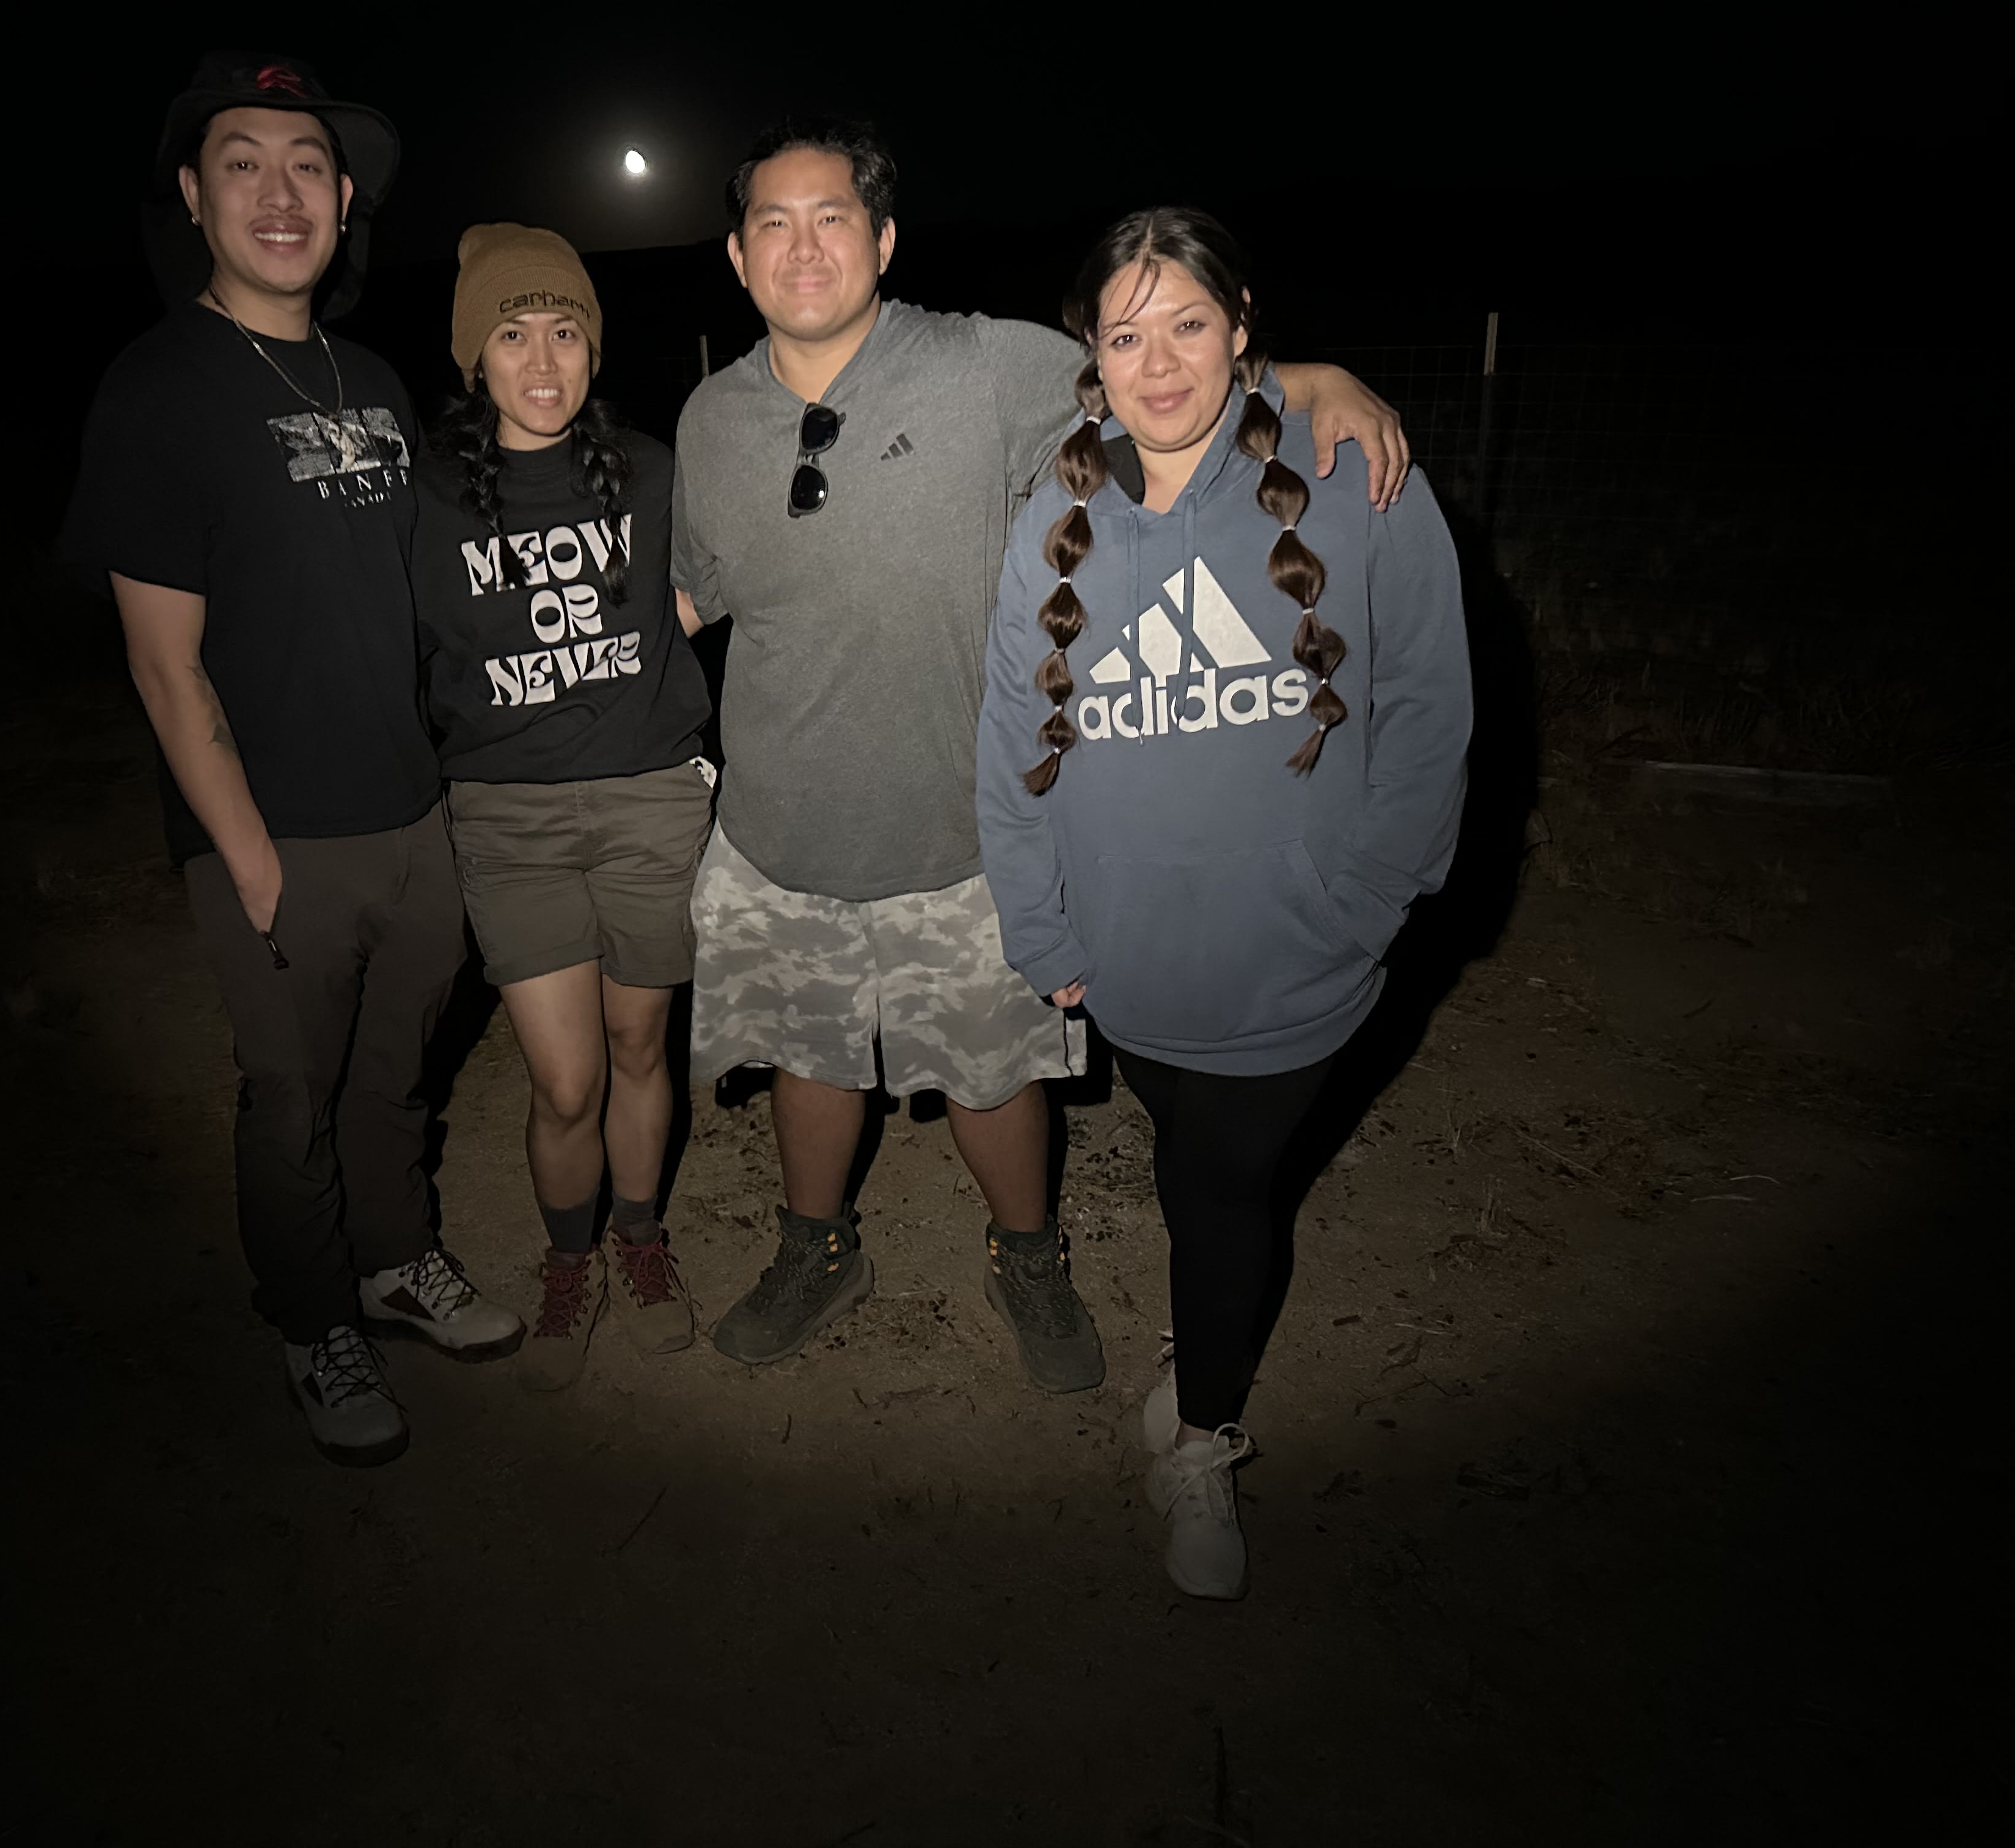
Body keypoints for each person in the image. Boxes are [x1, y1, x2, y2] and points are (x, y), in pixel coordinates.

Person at [670, 119, 1412, 1392]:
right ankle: (815, 1247)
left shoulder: (982, 364)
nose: (804, 247)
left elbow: (1159, 372)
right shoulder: (708, 417)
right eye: (773, 225)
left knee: (993, 1073)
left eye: (833, 217)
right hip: (779, 828)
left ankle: (1029, 1256)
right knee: (808, 1054)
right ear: (738, 257)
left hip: (965, 828)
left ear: (882, 239)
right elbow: (698, 592)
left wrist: (1304, 378)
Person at [975, 208, 1471, 1597]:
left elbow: (1428, 704)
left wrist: (1363, 900)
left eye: (1189, 324)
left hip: (1297, 957)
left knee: (1220, 1190)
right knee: (1200, 1171)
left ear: (1243, 324)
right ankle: (1211, 1333)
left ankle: (1202, 1435)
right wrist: (1043, 929)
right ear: (1091, 353)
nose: (1160, 364)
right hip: (1125, 960)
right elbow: (1009, 737)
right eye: (1126, 334)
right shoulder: (1058, 513)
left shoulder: (1351, 472)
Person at [59, 53, 521, 1469]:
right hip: (273, 833)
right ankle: (311, 1318)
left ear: (345, 203)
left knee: (395, 1079)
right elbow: (163, 663)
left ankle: (393, 1260)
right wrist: (247, 853)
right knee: (291, 1100)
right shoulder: (158, 389)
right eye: (244, 163)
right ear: (195, 198)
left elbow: (421, 599)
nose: (281, 193)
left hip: (413, 814)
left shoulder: (371, 380)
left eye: (309, 166)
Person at [412, 226, 714, 1391]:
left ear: (594, 346)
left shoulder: (652, 469)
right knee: (566, 1078)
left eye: (565, 332)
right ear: (474, 357)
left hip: (650, 801)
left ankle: (638, 1239)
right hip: (509, 820)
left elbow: (733, 570)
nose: (543, 361)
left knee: (641, 1044)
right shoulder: (427, 495)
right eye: (512, 334)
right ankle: (569, 1257)